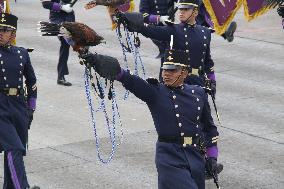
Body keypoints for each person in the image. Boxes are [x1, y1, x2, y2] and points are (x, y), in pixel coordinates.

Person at [80, 47, 220, 189]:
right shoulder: (156, 92)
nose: (166, 74)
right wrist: (107, 66)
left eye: (172, 70)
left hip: (195, 156)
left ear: (184, 72)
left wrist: (212, 157)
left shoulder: (199, 93)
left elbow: (209, 129)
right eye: (165, 70)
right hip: (169, 158)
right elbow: (131, 81)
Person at [0, 12, 39, 189]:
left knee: (15, 152)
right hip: (0, 106)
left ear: (13, 34)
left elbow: (31, 82)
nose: (1, 33)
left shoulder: (22, 53)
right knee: (14, 147)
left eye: (5, 30)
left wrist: (31, 108)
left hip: (18, 106)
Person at [42, 0, 75, 86]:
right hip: (56, 19)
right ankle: (61, 76)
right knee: (66, 40)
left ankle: (61, 76)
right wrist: (62, 7)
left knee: (66, 44)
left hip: (69, 17)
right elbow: (45, 4)